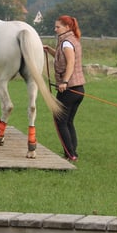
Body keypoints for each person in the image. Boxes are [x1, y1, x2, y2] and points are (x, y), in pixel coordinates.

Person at [44, 15, 85, 164]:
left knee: (60, 121)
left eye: (58, 27)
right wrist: (50, 50)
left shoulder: (66, 43)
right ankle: (73, 153)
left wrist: (64, 82)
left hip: (69, 90)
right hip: (79, 89)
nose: (55, 30)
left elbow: (70, 64)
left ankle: (70, 155)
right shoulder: (70, 40)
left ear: (67, 27)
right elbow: (62, 57)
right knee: (68, 122)